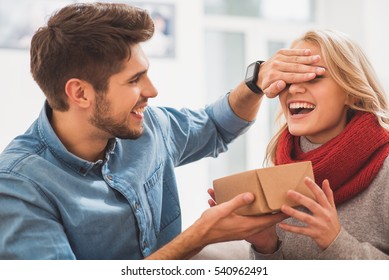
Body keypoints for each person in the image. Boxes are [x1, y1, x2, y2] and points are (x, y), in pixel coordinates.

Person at [0, 3, 323, 260]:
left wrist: (256, 81)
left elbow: (214, 127)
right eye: (134, 80)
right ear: (80, 93)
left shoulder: (148, 127)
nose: (152, 91)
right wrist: (198, 237)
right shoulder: (20, 186)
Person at [247, 29, 389, 259]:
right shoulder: (280, 164)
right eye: (288, 79)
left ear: (352, 92)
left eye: (313, 77)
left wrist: (336, 241)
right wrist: (267, 247)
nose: (293, 89)